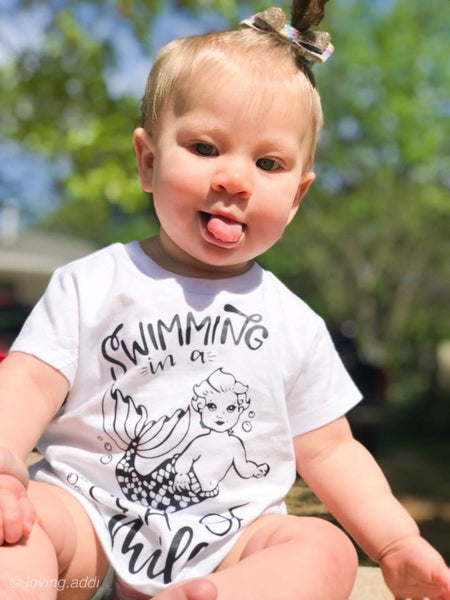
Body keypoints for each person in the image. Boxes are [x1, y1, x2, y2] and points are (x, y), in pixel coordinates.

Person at [0, 3, 449, 600]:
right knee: (23, 529)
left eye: (268, 163)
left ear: (297, 196)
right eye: (206, 148)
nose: (235, 180)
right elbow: (28, 382)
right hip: (86, 532)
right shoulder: (92, 283)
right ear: (148, 161)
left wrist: (395, 541)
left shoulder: (294, 323)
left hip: (229, 548)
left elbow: (333, 451)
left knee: (325, 548)